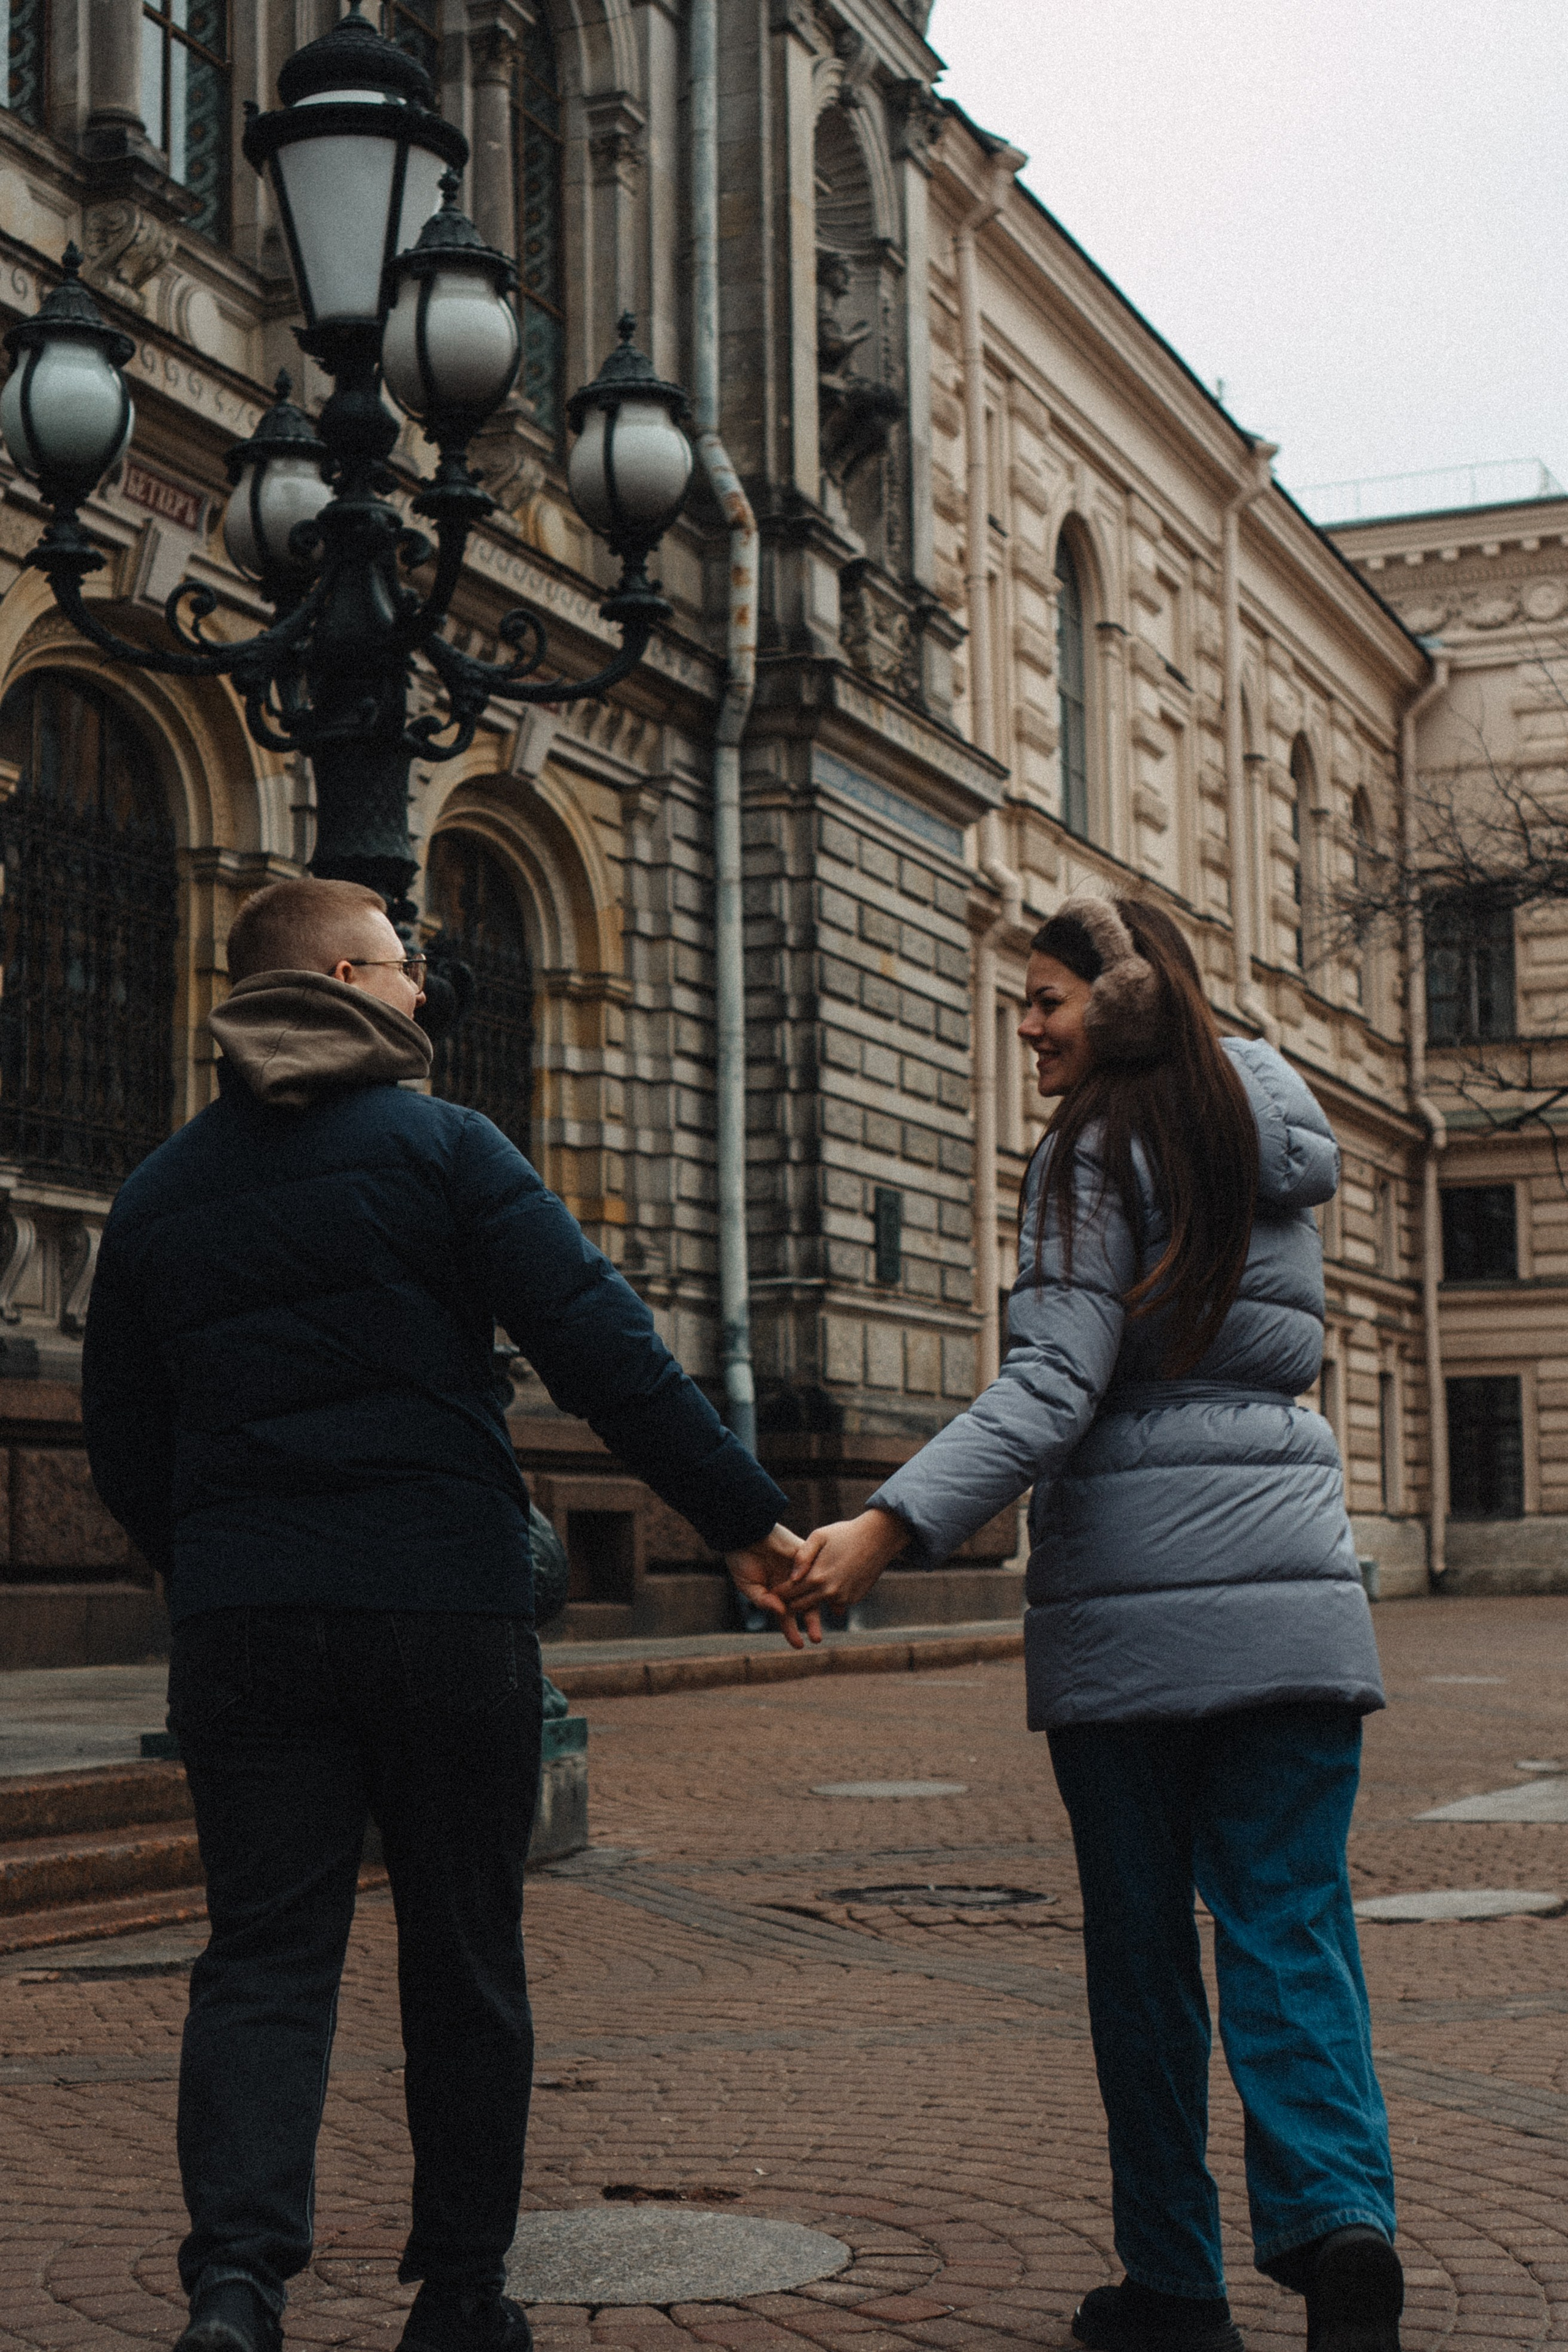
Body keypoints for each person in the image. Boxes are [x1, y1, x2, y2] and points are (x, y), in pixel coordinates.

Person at [82, 876, 804, 2352]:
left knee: (262, 1956)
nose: (424, 988)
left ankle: (235, 2288)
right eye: (404, 965)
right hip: (442, 1609)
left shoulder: (156, 1193)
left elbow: (120, 1442)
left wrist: (216, 1560)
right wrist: (746, 1522)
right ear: (348, 980)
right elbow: (606, 1353)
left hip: (246, 1623)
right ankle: (463, 2297)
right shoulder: (448, 1150)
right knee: (463, 1953)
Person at [776, 894, 1403, 2352]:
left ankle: (1173, 2290)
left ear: (1118, 999)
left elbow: (1052, 1387)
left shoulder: (1092, 1148)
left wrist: (886, 1527)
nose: (1026, 1025)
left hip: (1132, 1626)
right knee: (1290, 1928)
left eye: (1046, 997)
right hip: (1296, 1601)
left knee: (1140, 1959)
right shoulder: (1260, 1135)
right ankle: (1338, 2221)